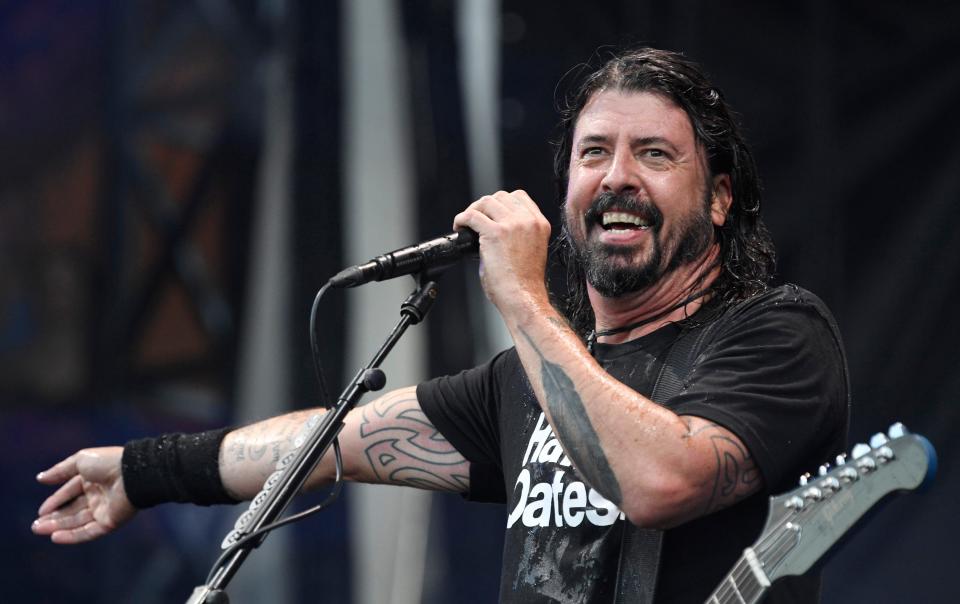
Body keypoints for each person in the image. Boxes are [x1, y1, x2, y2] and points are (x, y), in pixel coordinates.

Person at [33, 47, 849, 603]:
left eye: (655, 155)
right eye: (593, 153)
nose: (618, 177)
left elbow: (659, 482)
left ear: (719, 197)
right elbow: (332, 442)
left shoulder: (776, 335)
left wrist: (523, 300)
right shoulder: (521, 384)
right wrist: (144, 471)